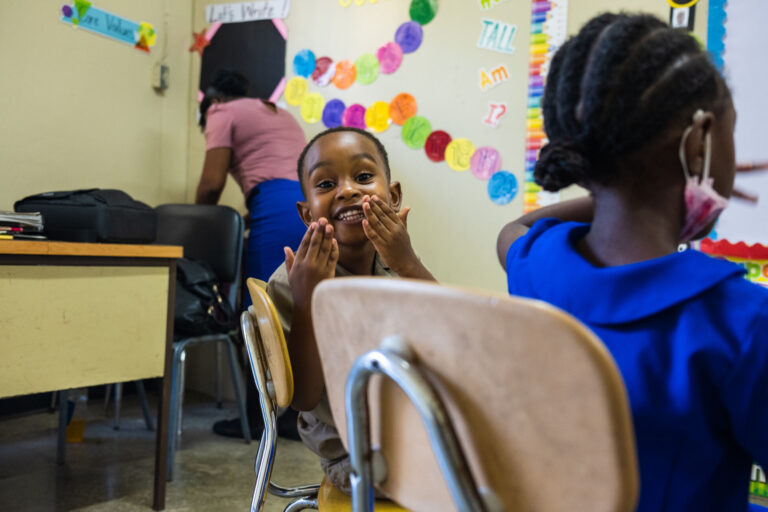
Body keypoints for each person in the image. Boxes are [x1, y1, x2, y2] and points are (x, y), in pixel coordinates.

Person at [497, 13, 768, 511]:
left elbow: (515, 230)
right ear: (700, 142)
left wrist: (618, 191)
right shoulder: (743, 324)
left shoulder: (536, 267)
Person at [267, 126, 434, 493]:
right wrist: (307, 298)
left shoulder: (396, 264)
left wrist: (409, 264)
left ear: (392, 197)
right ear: (307, 213)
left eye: (362, 177)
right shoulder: (291, 281)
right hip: (356, 457)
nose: (347, 190)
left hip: (417, 432)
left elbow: (453, 341)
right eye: (326, 184)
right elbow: (303, 398)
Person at [196, 69, 307, 439]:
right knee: (296, 311)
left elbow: (211, 185)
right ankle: (295, 416)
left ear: (212, 103)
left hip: (273, 206)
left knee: (258, 313)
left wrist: (197, 224)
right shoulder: (279, 112)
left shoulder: (220, 112)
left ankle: (258, 418)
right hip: (309, 206)